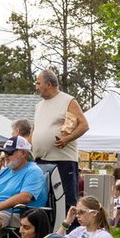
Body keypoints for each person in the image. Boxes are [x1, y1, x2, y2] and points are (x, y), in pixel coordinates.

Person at [31, 69, 90, 214]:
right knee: (45, 200)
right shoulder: (39, 106)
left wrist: (66, 139)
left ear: (49, 84)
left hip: (62, 161)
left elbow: (84, 124)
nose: (36, 86)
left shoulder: (67, 101)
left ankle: (70, 233)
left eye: (39, 83)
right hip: (41, 161)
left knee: (67, 201)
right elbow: (35, 130)